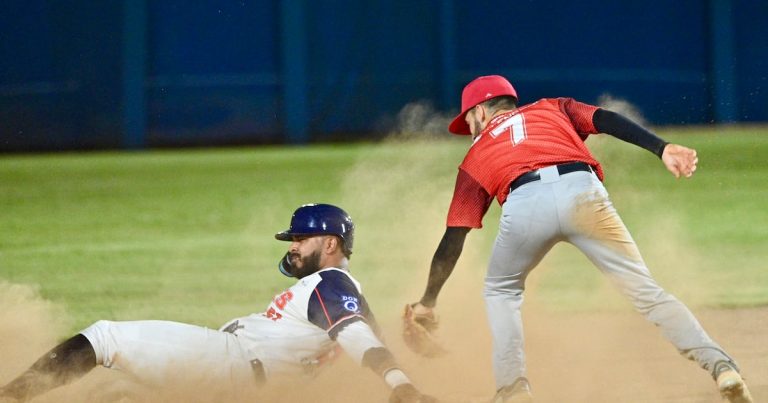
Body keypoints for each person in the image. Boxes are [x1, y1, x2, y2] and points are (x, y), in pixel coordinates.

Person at [407, 75, 753, 403]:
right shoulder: (551, 107)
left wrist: (428, 301)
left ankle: (513, 389)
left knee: (502, 291)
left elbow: (454, 238)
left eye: (468, 120)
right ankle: (721, 367)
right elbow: (605, 119)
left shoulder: (476, 155)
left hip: (524, 205)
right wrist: (661, 148)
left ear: (480, 111)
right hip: (583, 193)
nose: (469, 128)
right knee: (648, 293)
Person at [1, 203, 435, 403]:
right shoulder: (343, 294)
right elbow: (364, 338)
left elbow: (357, 338)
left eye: (302, 237)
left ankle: (10, 397)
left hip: (231, 364)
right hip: (240, 380)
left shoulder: (329, 281)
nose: (293, 246)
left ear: (331, 243)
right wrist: (417, 357)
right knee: (116, 394)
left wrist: (401, 385)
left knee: (104, 338)